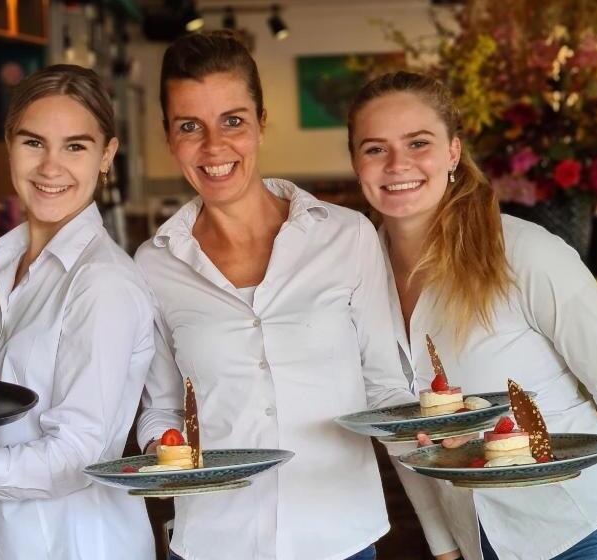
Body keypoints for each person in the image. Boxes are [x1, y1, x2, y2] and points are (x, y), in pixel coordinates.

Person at [135, 31, 413, 560]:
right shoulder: (153, 265)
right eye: (190, 126)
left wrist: (432, 432)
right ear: (168, 136)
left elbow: (385, 384)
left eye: (232, 121)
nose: (213, 147)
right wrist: (162, 447)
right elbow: (162, 407)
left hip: (341, 536)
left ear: (262, 123)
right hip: (214, 541)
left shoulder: (346, 236)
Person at [347, 70, 597, 560]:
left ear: (453, 152)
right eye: (375, 149)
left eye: (418, 143)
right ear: (356, 163)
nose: (397, 164)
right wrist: (443, 544)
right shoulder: (357, 278)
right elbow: (399, 429)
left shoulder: (525, 252)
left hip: (584, 528)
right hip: (479, 542)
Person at [0, 65, 156, 560]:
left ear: (107, 155)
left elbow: (76, 456)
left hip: (78, 544)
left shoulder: (102, 283)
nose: (50, 167)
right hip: (1, 536)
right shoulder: (11, 268)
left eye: (75, 146)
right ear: (9, 145)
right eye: (34, 142)